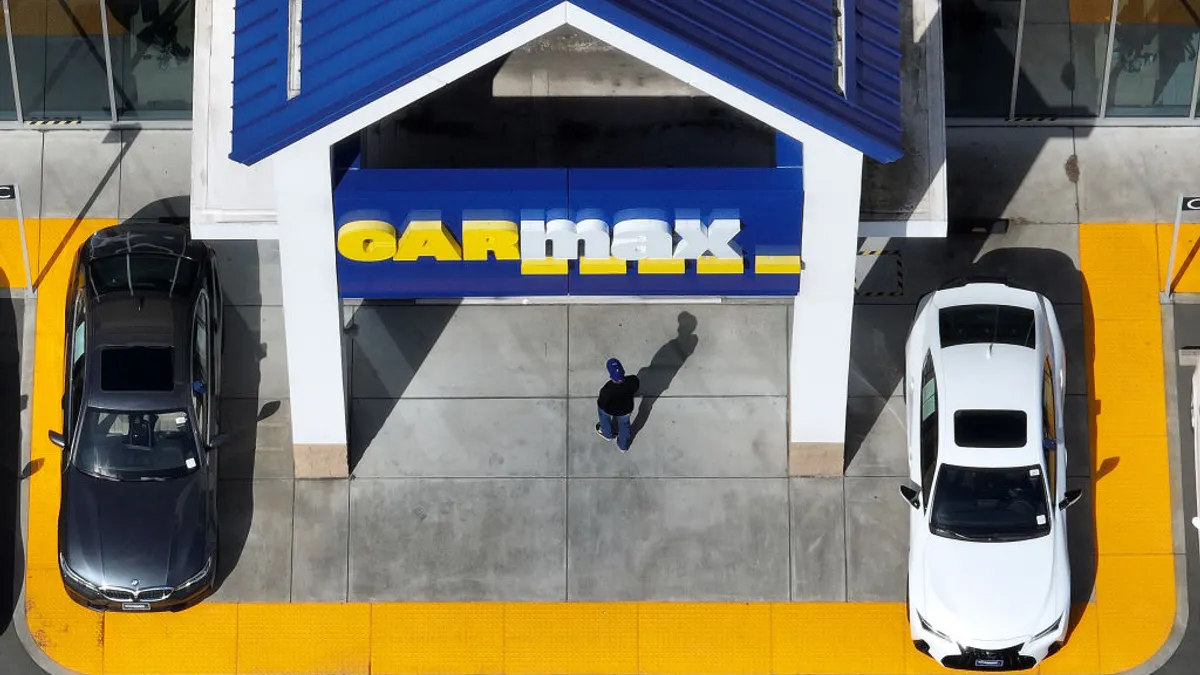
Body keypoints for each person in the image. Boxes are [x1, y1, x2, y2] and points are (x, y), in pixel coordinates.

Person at [596, 357, 639, 453]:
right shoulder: (633, 380)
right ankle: (623, 446)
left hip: (610, 409)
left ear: (611, 375)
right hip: (626, 409)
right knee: (625, 425)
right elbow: (636, 387)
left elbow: (602, 404)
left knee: (602, 413)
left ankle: (607, 434)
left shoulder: (607, 390)